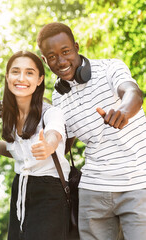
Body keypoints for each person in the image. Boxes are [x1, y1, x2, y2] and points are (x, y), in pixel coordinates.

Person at [37, 22, 146, 239]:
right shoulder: (59, 96)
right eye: (52, 57)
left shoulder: (110, 68)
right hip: (93, 189)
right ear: (44, 60)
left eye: (65, 51)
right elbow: (62, 142)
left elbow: (133, 92)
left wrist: (123, 111)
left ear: (76, 47)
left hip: (136, 182)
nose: (61, 61)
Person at [0, 51, 70, 239]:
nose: (21, 78)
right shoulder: (10, 117)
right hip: (20, 188)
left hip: (49, 192)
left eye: (29, 73)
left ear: (39, 79)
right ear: (7, 77)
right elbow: (13, 150)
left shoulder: (51, 112)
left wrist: (49, 145)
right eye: (15, 72)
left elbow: (54, 133)